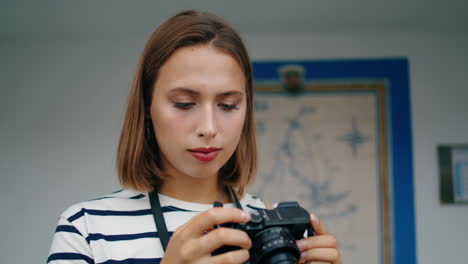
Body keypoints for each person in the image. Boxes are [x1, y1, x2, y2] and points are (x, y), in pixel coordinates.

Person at [47, 10, 342, 264]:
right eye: (184, 104)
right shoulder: (85, 227)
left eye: (228, 105)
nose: (209, 128)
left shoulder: (282, 238)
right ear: (147, 105)